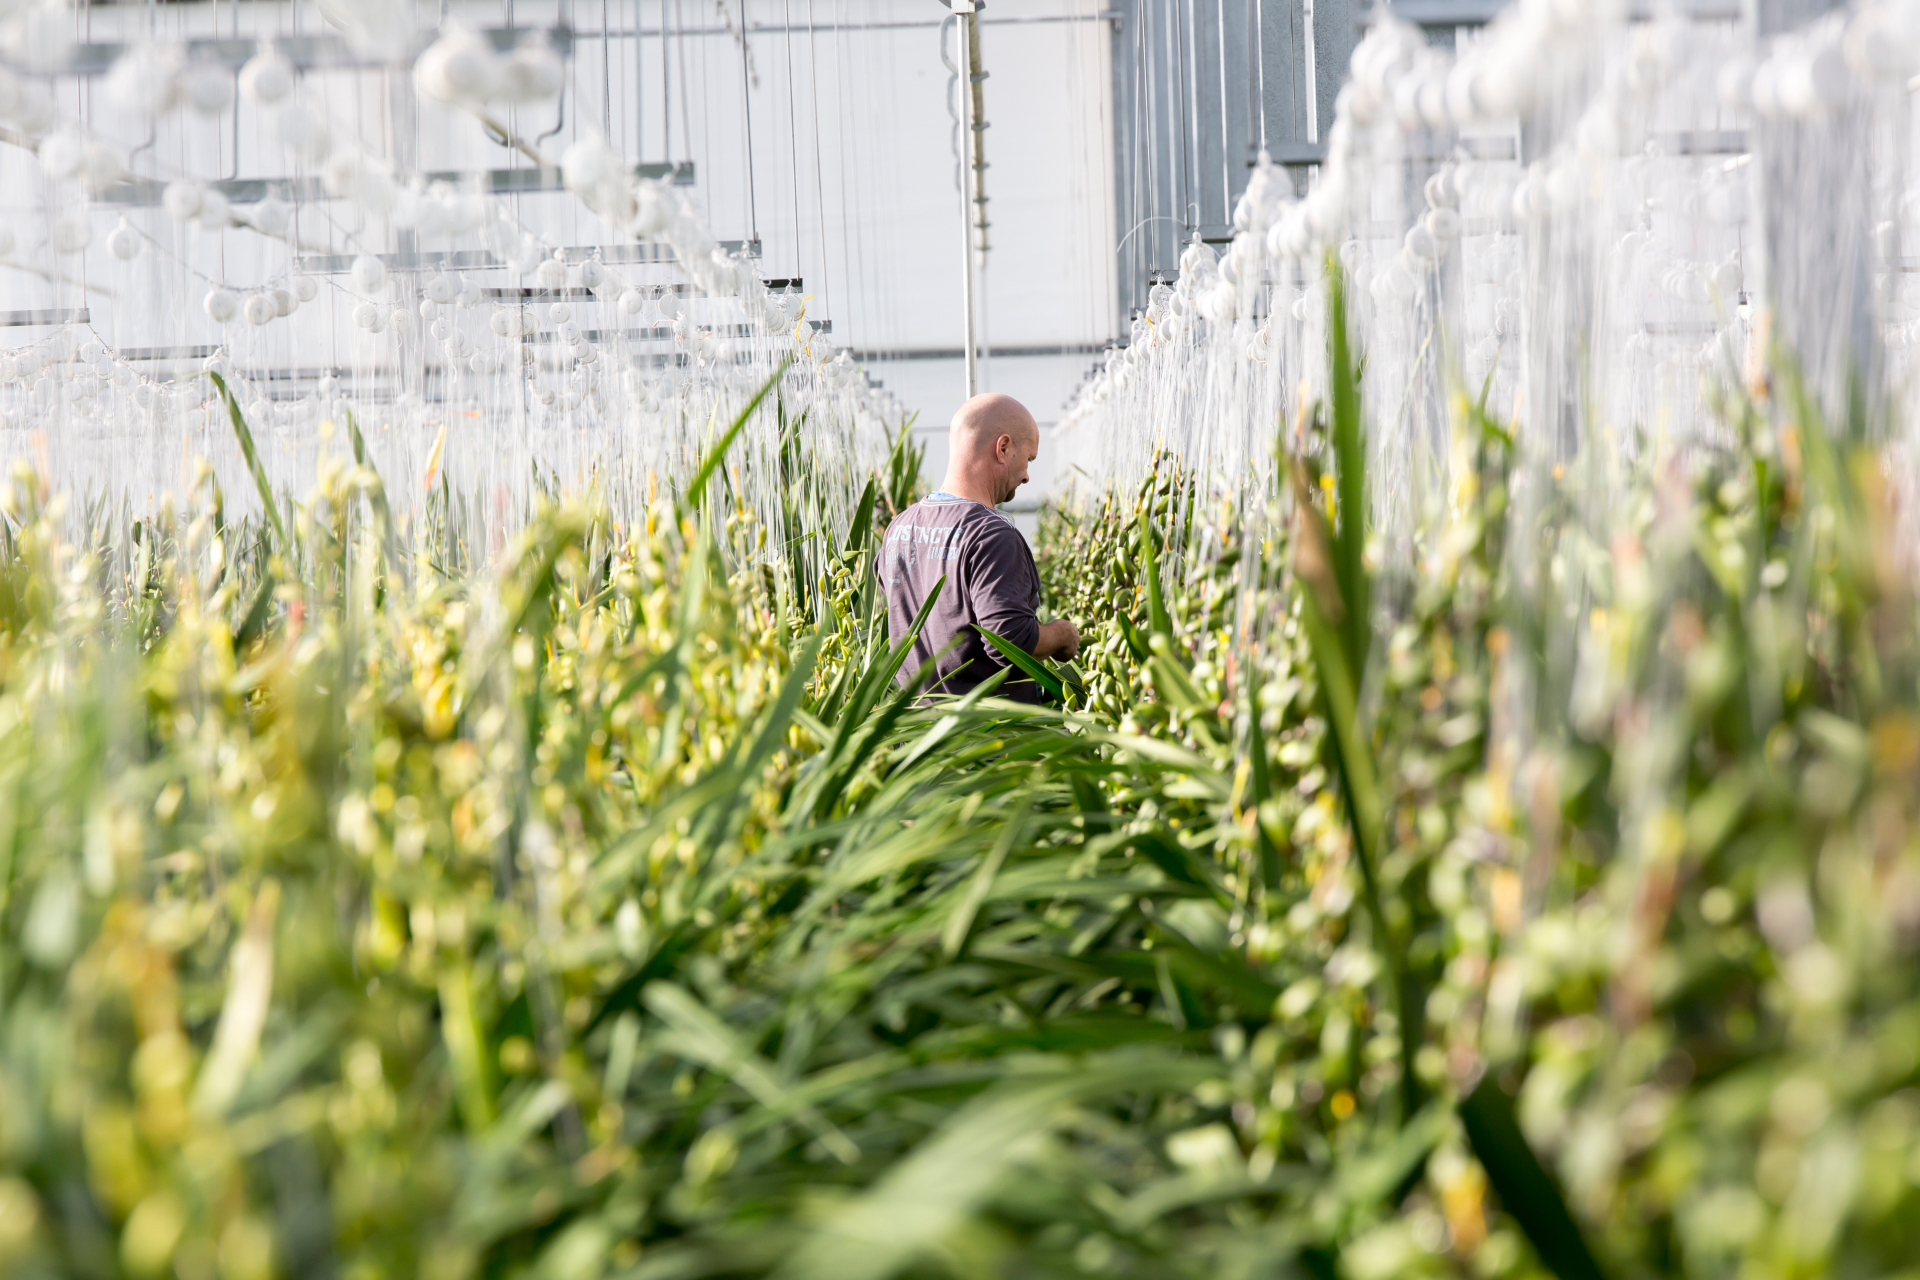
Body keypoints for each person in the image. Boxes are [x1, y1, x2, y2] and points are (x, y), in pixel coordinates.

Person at [878, 392, 1080, 701]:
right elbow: (1010, 640)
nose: (1027, 475)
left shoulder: (899, 529)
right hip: (986, 739)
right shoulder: (991, 536)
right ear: (1003, 448)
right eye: (1028, 459)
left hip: (917, 736)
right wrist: (1062, 634)